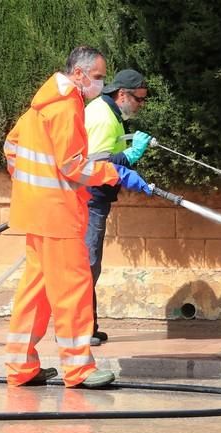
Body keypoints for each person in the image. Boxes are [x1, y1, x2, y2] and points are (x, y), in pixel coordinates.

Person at [3, 46, 152, 388]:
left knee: (35, 293)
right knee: (74, 290)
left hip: (34, 213)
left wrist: (33, 189)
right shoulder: (67, 106)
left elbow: (12, 149)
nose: (101, 84)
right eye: (98, 77)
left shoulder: (39, 107)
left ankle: (20, 367)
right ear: (79, 74)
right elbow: (74, 166)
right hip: (59, 216)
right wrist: (115, 174)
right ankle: (79, 369)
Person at [83, 69, 152, 346]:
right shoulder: (102, 117)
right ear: (122, 94)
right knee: (87, 264)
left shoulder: (108, 112)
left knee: (90, 263)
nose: (141, 105)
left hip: (94, 197)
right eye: (139, 99)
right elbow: (95, 165)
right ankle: (81, 330)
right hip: (89, 198)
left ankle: (88, 325)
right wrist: (130, 156)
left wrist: (126, 148)